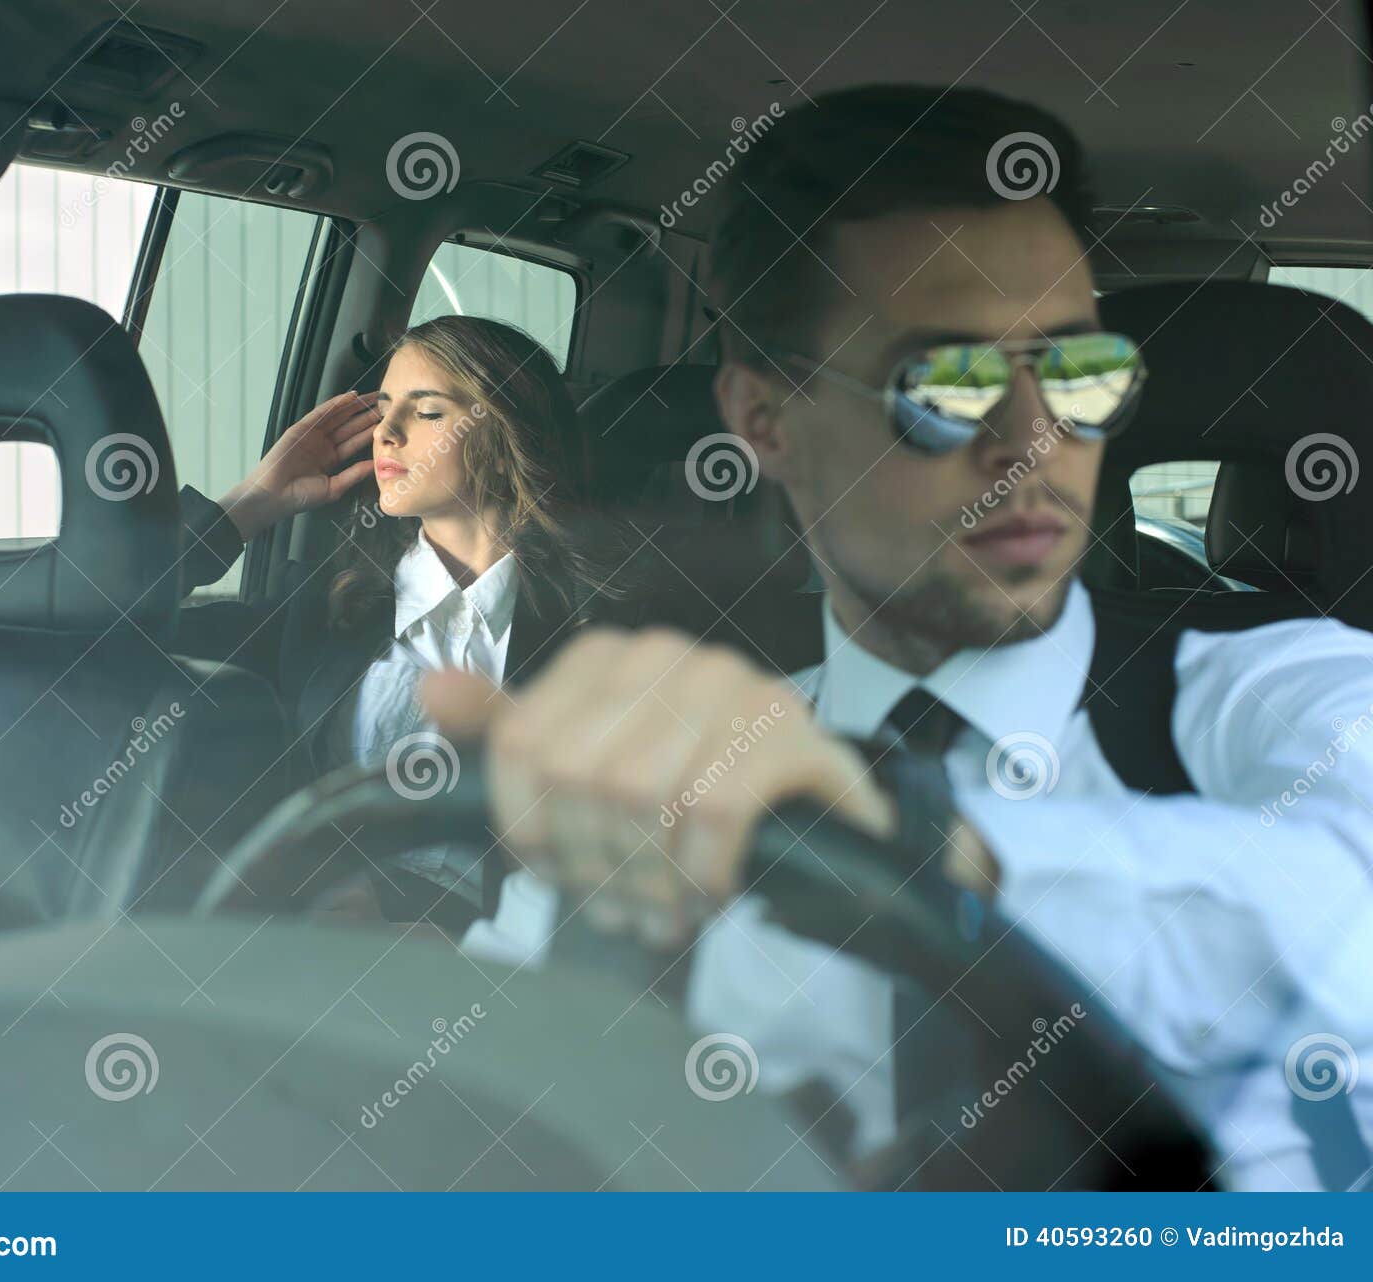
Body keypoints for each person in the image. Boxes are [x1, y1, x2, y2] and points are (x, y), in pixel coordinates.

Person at [420, 85, 1373, 1189]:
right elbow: (483, 1130)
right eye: (948, 382)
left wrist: (905, 837)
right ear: (765, 421)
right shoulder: (674, 770)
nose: (1035, 440)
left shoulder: (1277, 696)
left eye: (1074, 370)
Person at [177, 314, 633, 924]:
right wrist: (249, 505)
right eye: (384, 407)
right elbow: (88, 632)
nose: (385, 434)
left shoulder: (603, 636)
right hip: (309, 951)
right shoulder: (322, 615)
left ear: (505, 434)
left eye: (426, 412)